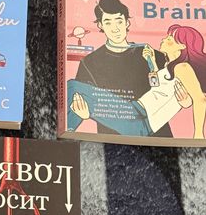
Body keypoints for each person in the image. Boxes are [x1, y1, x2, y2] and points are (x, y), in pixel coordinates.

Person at [69, 24, 206, 139]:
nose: (163, 39)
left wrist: (199, 134)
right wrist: (152, 63)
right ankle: (69, 130)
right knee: (77, 91)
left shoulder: (183, 67)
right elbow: (156, 89)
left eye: (169, 39)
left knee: (73, 86)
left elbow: (200, 99)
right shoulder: (168, 66)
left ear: (182, 46)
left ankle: (68, 131)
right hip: (138, 113)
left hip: (141, 118)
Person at [71, 0, 172, 137]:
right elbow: (82, 101)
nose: (115, 29)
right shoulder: (89, 63)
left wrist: (153, 65)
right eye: (108, 22)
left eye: (119, 21)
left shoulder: (151, 54)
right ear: (100, 25)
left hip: (156, 135)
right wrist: (86, 114)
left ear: (127, 22)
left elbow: (165, 92)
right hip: (114, 138)